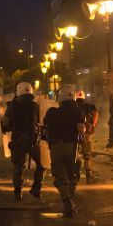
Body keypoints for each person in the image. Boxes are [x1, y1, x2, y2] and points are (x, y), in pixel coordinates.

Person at [43, 85, 85, 217]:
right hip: (70, 146)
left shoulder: (51, 112)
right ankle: (70, 199)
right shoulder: (78, 111)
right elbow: (80, 129)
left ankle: (67, 202)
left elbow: (44, 131)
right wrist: (82, 143)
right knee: (72, 174)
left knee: (60, 177)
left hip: (55, 147)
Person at [1, 82, 44, 201]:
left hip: (18, 141)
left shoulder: (12, 107)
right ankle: (36, 188)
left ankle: (17, 192)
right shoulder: (35, 106)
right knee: (42, 164)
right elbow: (39, 122)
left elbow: (5, 124)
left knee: (18, 168)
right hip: (33, 141)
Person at [75, 90, 99, 183]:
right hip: (87, 134)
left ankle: (76, 175)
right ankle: (89, 176)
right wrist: (93, 125)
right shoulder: (89, 106)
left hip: (75, 133)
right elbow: (96, 113)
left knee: (75, 155)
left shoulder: (74, 107)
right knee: (87, 155)